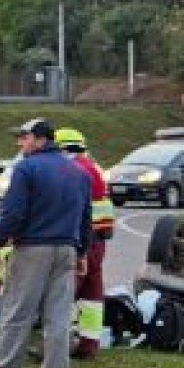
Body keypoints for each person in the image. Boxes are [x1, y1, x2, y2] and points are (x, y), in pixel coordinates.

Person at [0, 118, 91, 368]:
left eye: (24, 138)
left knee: (17, 312)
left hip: (32, 248)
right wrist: (83, 251)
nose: (20, 143)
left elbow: (13, 213)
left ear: (40, 140)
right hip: (66, 248)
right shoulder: (79, 173)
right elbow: (85, 217)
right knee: (59, 317)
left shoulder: (26, 169)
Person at [56, 127, 116, 308]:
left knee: (67, 291)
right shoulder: (94, 167)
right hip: (99, 239)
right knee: (92, 289)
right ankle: (90, 336)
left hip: (80, 239)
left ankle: (63, 331)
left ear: (62, 149)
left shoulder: (71, 170)